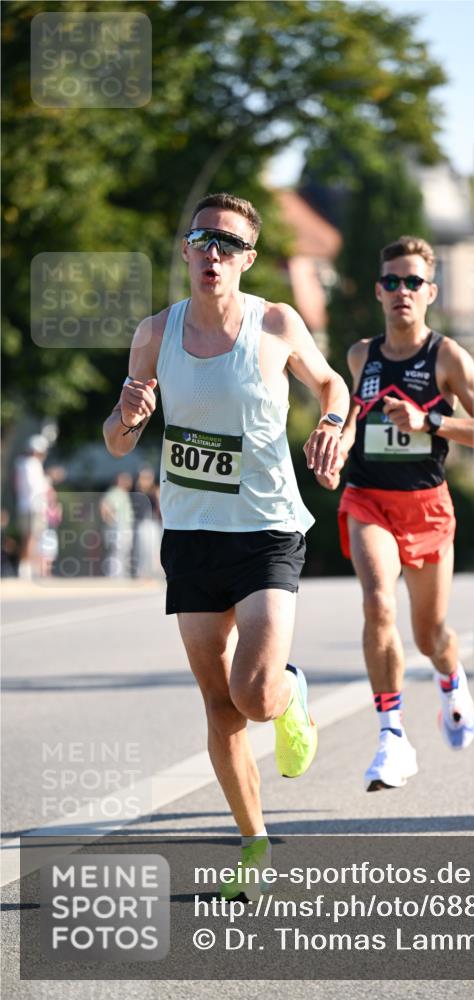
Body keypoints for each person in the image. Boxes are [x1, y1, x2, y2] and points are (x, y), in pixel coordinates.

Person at [103, 191, 348, 893]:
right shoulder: (154, 333)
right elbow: (117, 439)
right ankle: (254, 846)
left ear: (247, 259)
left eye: (229, 244)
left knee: (253, 694)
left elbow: (332, 384)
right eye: (202, 240)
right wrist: (126, 416)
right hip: (190, 536)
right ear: (185, 251)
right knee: (218, 705)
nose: (213, 253)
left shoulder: (275, 323)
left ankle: (287, 690)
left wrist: (332, 424)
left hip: (266, 530)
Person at [317, 235, 474, 791]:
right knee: (377, 603)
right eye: (392, 281)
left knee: (430, 635)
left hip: (426, 506)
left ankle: (452, 678)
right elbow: (354, 420)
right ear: (379, 291)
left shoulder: (447, 357)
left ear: (431, 292)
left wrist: (431, 423)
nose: (402, 291)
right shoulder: (360, 356)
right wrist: (335, 450)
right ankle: (392, 736)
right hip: (368, 499)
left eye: (413, 282)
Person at [14, 434, 50, 580]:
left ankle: (25, 567)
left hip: (23, 504)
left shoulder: (20, 463)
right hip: (34, 505)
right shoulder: (32, 464)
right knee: (32, 537)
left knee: (26, 537)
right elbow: (37, 487)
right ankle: (27, 568)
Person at [99, 472, 134, 578]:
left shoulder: (124, 493)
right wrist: (111, 520)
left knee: (124, 553)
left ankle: (121, 575)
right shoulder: (115, 492)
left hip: (125, 528)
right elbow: (104, 506)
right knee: (116, 553)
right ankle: (115, 576)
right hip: (118, 528)